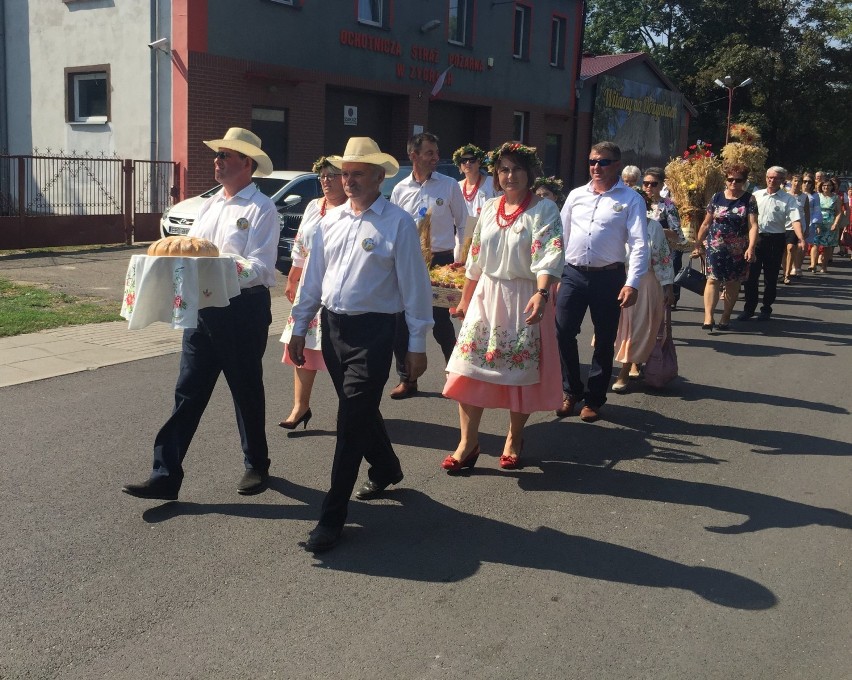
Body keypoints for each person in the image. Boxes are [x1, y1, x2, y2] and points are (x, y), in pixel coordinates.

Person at [288, 137, 433, 552]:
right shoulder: (329, 221)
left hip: (374, 332)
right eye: (344, 173)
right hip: (333, 330)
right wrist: (301, 326)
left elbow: (415, 287)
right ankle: (386, 467)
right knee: (359, 410)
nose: (347, 181)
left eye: (357, 174)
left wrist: (417, 343)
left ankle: (331, 517)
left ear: (380, 177)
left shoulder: (397, 223)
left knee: (349, 421)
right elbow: (314, 278)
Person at [122, 127, 279, 501]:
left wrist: (218, 269)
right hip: (204, 310)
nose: (217, 160)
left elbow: (260, 267)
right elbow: (189, 253)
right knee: (187, 392)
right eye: (218, 154)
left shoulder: (262, 208)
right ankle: (165, 475)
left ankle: (256, 465)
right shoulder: (208, 205)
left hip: (242, 310)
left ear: (248, 164)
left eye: (226, 155)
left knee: (245, 390)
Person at [442, 142, 563, 471]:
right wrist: (465, 299)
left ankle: (514, 436)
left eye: (517, 169)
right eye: (504, 169)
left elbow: (549, 255)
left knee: (520, 372)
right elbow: (475, 258)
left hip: (524, 297)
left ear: (529, 173)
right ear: (496, 174)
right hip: (486, 294)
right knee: (466, 369)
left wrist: (542, 293)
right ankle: (468, 443)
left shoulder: (543, 210)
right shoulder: (489, 207)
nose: (510, 175)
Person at [555, 142, 648, 423]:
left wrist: (632, 283)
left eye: (603, 162)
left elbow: (640, 243)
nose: (596, 167)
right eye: (593, 161)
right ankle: (570, 391)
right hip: (573, 273)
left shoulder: (631, 199)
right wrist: (554, 275)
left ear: (617, 165)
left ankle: (594, 399)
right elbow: (560, 236)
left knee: (605, 339)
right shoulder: (576, 195)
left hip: (609, 276)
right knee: (563, 332)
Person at [389, 132, 468, 399]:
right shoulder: (400, 189)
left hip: (441, 260)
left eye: (436, 152)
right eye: (430, 153)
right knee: (401, 321)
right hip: (409, 261)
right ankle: (407, 379)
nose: (436, 158)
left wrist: (460, 261)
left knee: (442, 323)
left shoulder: (449, 186)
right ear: (414, 155)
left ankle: (454, 375)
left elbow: (464, 223)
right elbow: (393, 229)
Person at [278, 157, 347, 429]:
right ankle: (300, 406)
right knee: (303, 343)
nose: (326, 180)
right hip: (309, 282)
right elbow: (300, 244)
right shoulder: (312, 206)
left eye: (332, 175)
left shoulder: (352, 209)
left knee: (339, 351)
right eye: (322, 175)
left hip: (336, 285)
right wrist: (293, 276)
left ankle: (349, 407)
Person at [611, 190, 675, 392]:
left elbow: (663, 258)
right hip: (614, 280)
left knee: (636, 329)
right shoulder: (613, 225)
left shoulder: (653, 227)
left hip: (644, 283)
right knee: (614, 329)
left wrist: (668, 287)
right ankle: (632, 363)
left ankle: (624, 371)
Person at [692, 163, 758, 331]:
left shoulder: (749, 199)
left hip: (737, 249)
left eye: (738, 180)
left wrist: (751, 247)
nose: (734, 183)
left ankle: (726, 315)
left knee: (732, 282)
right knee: (712, 280)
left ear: (744, 181)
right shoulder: (717, 197)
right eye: (730, 179)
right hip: (715, 246)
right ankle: (708, 316)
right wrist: (697, 244)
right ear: (726, 180)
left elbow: (753, 225)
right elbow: (706, 223)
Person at [739, 166, 803, 322]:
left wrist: (801, 238)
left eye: (776, 178)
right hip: (755, 239)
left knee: (771, 277)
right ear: (765, 178)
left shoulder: (788, 199)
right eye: (770, 177)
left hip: (775, 240)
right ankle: (749, 308)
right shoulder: (756, 195)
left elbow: (795, 220)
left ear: (782, 180)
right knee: (751, 276)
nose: (772, 180)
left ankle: (766, 308)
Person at [643, 167, 686, 309]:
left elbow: (677, 233)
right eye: (646, 183)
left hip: (661, 251)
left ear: (662, 185)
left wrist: (655, 229)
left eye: (654, 184)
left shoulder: (668, 205)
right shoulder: (637, 202)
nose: (649, 187)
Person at [453, 143, 498, 217]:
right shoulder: (457, 186)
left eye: (472, 160)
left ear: (479, 163)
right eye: (464, 160)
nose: (467, 163)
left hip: (486, 227)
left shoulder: (491, 183)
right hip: (463, 228)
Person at [812, 178, 842, 273]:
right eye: (824, 185)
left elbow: (839, 212)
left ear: (832, 187)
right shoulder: (817, 196)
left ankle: (824, 266)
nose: (826, 187)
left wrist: (835, 224)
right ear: (821, 186)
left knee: (827, 246)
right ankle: (813, 264)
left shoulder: (836, 197)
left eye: (829, 185)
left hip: (830, 223)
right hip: (818, 223)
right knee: (815, 243)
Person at [786, 173, 810, 280]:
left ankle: (796, 267)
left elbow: (807, 212)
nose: (797, 183)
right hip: (786, 224)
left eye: (799, 181)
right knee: (786, 249)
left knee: (795, 247)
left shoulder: (804, 197)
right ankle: (788, 267)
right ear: (791, 182)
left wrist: (808, 227)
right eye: (795, 181)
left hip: (799, 224)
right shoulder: (785, 194)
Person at [803, 174, 822, 272]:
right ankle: (795, 266)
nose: (807, 184)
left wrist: (817, 223)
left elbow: (817, 210)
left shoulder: (815, 196)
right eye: (805, 181)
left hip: (811, 221)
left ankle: (813, 264)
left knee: (814, 242)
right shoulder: (796, 194)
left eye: (809, 182)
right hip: (797, 221)